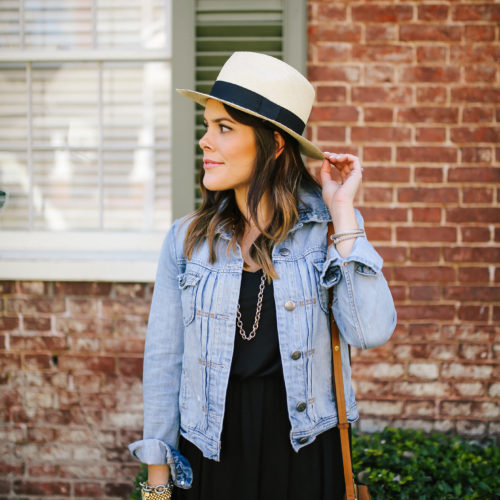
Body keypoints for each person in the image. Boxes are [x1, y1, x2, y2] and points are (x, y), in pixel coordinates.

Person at [129, 51, 396, 500]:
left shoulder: (324, 233)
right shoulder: (187, 240)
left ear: (273, 145)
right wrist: (157, 484)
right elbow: (163, 360)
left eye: (224, 128)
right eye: (207, 125)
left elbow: (369, 331)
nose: (204, 141)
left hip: (303, 452)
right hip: (210, 451)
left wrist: (343, 211)